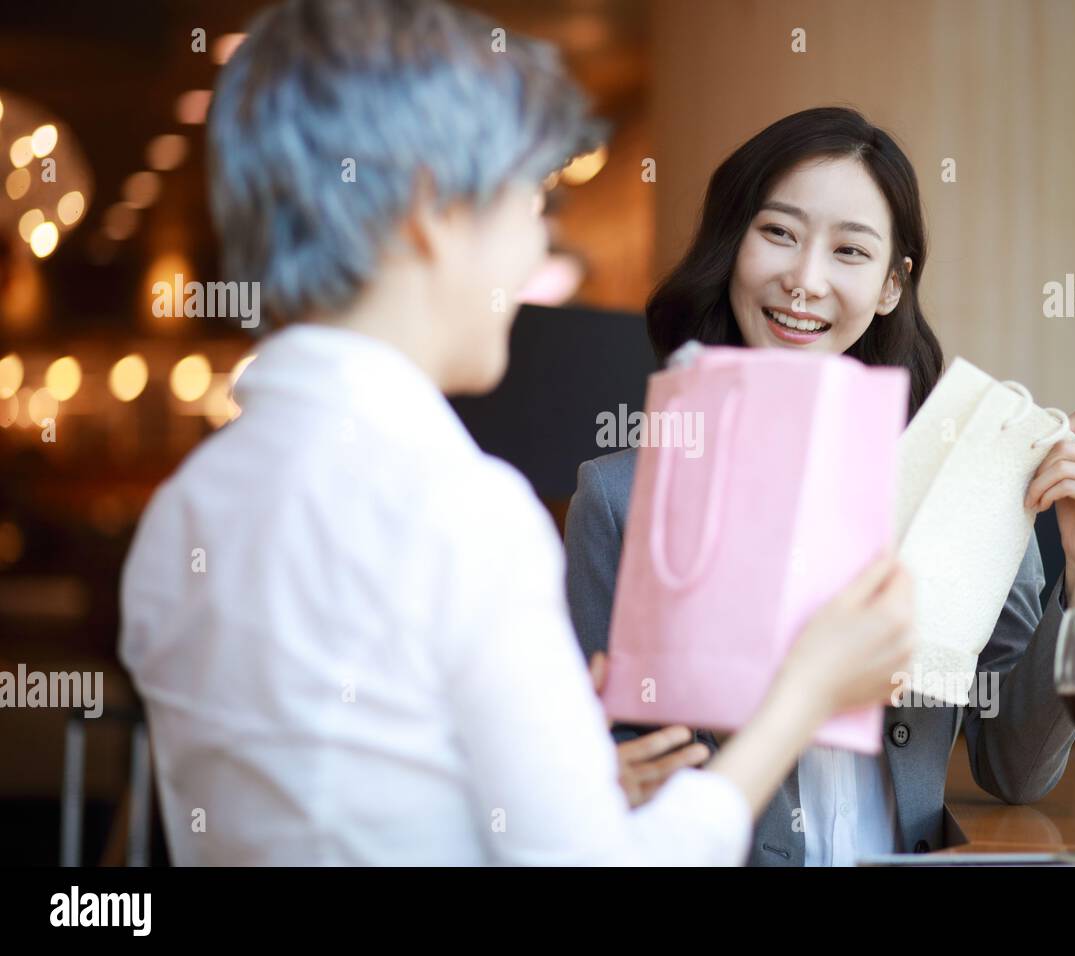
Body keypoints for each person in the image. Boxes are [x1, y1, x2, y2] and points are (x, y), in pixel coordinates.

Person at [118, 0, 915, 866]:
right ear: (432, 210)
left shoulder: (181, 514)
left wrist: (569, 784)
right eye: (528, 199)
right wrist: (804, 698)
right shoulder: (462, 512)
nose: (538, 242)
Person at [564, 106, 1075, 866]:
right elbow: (605, 791)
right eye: (779, 233)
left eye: (850, 250)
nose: (805, 280)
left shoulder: (968, 481)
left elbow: (1017, 769)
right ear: (734, 246)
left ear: (893, 285)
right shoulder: (619, 500)